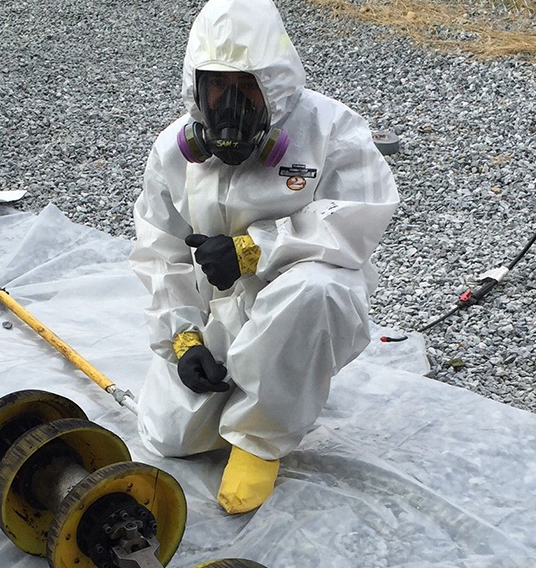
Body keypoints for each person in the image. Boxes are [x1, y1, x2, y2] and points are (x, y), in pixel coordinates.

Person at [129, 0, 399, 515]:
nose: (230, 105)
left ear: (275, 86)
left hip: (299, 295)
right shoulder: (171, 152)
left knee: (319, 290)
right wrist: (182, 339)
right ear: (196, 85)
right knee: (172, 436)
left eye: (248, 88)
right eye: (217, 87)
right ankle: (261, 384)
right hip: (223, 306)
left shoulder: (329, 130)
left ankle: (259, 441)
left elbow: (363, 214)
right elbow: (160, 252)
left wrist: (255, 248)